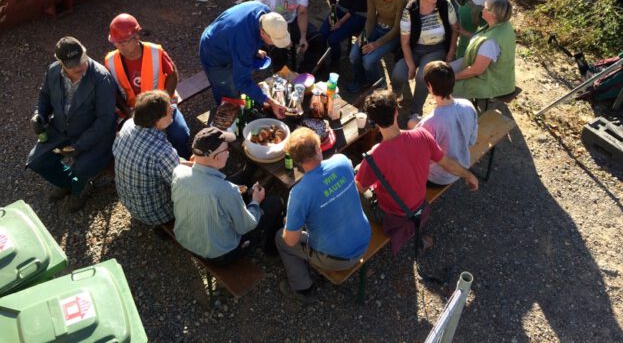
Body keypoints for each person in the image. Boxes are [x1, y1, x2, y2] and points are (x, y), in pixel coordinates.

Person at [355, 91, 478, 254]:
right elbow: (447, 163)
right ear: (396, 112)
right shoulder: (422, 135)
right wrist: (469, 175)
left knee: (355, 178)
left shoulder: (373, 157)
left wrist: (358, 171)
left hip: (391, 215)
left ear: (374, 122)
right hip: (419, 205)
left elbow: (361, 188)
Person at [276, 127, 371, 303]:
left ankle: (302, 287)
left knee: (280, 239)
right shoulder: (342, 161)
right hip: (365, 239)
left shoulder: (299, 193)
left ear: (297, 161)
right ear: (319, 147)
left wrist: (291, 222)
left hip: (337, 258)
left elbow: (291, 240)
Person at [26, 37, 117, 212]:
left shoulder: (101, 78)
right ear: (60, 62)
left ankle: (78, 189)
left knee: (81, 167)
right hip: (62, 128)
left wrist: (80, 145)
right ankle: (72, 184)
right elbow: (44, 95)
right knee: (37, 161)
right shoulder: (53, 71)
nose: (80, 66)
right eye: (73, 65)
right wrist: (39, 115)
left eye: (82, 59)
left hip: (95, 135)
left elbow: (105, 120)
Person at [172, 127, 283, 264]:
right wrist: (255, 201)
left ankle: (248, 173)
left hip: (186, 239)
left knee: (239, 180)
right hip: (219, 255)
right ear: (217, 157)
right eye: (227, 150)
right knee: (276, 203)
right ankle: (271, 250)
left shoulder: (179, 172)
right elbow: (246, 226)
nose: (229, 153)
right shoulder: (227, 191)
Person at [105, 13, 191, 158]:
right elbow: (113, 91)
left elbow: (172, 74)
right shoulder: (110, 60)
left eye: (122, 42)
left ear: (136, 38)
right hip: (134, 110)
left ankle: (183, 159)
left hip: (162, 104)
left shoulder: (155, 51)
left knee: (180, 134)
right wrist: (127, 111)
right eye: (116, 43)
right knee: (134, 146)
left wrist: (165, 100)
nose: (118, 46)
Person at [113, 90, 191, 227]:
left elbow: (115, 150)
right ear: (157, 121)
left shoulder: (128, 125)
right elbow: (181, 183)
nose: (173, 109)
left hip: (129, 202)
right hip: (155, 213)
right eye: (169, 110)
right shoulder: (162, 151)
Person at [199, 1, 289, 117]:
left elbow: (249, 34)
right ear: (263, 32)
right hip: (213, 52)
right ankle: (226, 126)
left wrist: (254, 50)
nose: (275, 45)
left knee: (238, 82)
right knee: (229, 97)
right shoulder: (243, 42)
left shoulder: (265, 13)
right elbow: (242, 81)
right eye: (274, 41)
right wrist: (271, 102)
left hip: (228, 38)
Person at [391, 0, 460, 123]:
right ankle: (397, 94)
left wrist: (451, 51)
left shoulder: (444, 5)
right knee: (398, 73)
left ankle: (415, 111)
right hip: (414, 48)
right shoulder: (409, 11)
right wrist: (410, 64)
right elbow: (405, 42)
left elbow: (455, 29)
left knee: (423, 77)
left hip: (436, 48)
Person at [254, 0, 326, 73]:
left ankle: (303, 75)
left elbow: (302, 12)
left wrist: (303, 37)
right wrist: (280, 37)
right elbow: (257, 12)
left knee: (318, 39)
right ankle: (282, 79)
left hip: (291, 21)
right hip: (271, 25)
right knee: (278, 50)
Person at [411, 61, 478, 187]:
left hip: (437, 178)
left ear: (430, 87)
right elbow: (471, 140)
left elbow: (418, 156)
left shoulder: (429, 123)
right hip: (463, 164)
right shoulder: (468, 105)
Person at [348, 0, 409, 94]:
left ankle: (379, 83)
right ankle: (361, 80)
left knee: (368, 60)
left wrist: (376, 44)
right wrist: (364, 36)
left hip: (393, 34)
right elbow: (370, 19)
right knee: (354, 55)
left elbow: (397, 28)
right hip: (377, 27)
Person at [451, 0, 516, 101]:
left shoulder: (490, 43)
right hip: (492, 70)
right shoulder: (504, 25)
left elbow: (476, 70)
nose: (482, 8)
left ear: (493, 15)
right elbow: (483, 36)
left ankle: (462, 112)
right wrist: (464, 32)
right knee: (445, 71)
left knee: (447, 88)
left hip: (491, 81)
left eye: (485, 7)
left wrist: (453, 78)